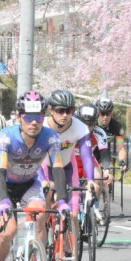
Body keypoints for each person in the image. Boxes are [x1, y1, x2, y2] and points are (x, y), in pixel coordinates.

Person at [0, 91, 69, 261]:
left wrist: (62, 201)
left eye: (38, 116)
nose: (34, 122)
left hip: (29, 185)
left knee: (40, 216)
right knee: (9, 231)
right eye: (29, 117)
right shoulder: (6, 136)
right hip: (3, 186)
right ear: (19, 117)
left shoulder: (51, 137)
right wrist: (4, 200)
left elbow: (58, 169)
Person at [42, 90, 96, 224]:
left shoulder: (80, 128)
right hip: (45, 166)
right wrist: (42, 180)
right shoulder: (41, 127)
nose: (65, 115)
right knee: (43, 210)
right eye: (60, 111)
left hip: (68, 167)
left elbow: (87, 157)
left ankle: (72, 237)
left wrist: (90, 180)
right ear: (50, 110)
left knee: (73, 214)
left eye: (69, 110)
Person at [95, 97, 127, 177]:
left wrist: (122, 161)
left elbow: (121, 148)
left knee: (108, 175)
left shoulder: (116, 126)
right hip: (91, 153)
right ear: (98, 113)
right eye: (102, 114)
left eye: (108, 114)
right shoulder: (92, 123)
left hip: (105, 155)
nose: (105, 117)